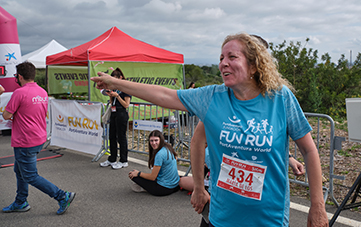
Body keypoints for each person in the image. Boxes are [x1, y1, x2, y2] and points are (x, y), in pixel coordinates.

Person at [91, 33, 329, 227]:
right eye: (221, 57)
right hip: (221, 217)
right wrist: (116, 83)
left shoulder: (280, 98)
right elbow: (165, 95)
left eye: (232, 57)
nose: (223, 63)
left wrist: (317, 206)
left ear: (255, 66)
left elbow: (309, 151)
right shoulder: (213, 98)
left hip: (268, 218)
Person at [2, 61, 75, 215]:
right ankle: (21, 201)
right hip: (38, 137)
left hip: (25, 140)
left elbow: (6, 115)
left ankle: (62, 195)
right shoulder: (42, 91)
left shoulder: (19, 93)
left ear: (20, 76)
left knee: (30, 175)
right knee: (19, 170)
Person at [128, 130, 180, 196]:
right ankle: (147, 186)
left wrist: (138, 173)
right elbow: (175, 158)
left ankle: (145, 188)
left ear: (160, 140)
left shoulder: (159, 154)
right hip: (176, 186)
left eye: (156, 140)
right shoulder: (168, 147)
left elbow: (153, 177)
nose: (153, 143)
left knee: (133, 175)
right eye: (151, 141)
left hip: (164, 189)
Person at [100, 68, 131, 170]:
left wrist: (117, 96)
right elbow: (112, 101)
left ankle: (123, 160)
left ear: (120, 78)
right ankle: (112, 158)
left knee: (121, 137)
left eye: (115, 78)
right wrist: (111, 96)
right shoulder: (114, 87)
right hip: (113, 113)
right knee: (111, 136)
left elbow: (126, 104)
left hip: (121, 113)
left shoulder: (126, 88)